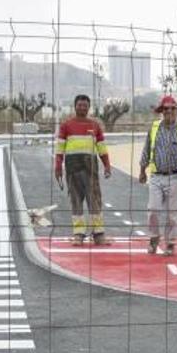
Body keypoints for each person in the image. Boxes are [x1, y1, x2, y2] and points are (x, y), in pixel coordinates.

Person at [138, 95, 177, 256]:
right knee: (153, 210)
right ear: (162, 111)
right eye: (166, 109)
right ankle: (154, 239)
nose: (169, 111)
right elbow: (146, 150)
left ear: (176, 110)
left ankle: (170, 243)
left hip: (176, 177)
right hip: (156, 177)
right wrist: (142, 171)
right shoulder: (154, 128)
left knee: (173, 214)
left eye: (172, 108)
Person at [54, 94, 112, 246]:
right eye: (79, 105)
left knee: (95, 201)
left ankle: (98, 234)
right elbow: (59, 149)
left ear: (89, 107)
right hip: (72, 170)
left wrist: (107, 165)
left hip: (90, 170)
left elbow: (102, 147)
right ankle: (78, 234)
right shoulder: (66, 126)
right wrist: (58, 167)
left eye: (85, 105)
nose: (82, 107)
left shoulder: (95, 126)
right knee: (76, 202)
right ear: (75, 106)